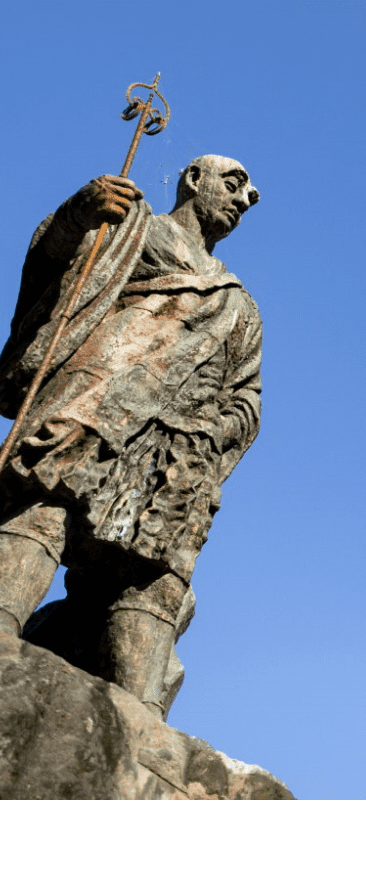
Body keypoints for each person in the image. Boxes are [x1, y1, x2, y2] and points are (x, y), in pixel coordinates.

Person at [0, 156, 262, 719]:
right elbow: (53, 265)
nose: (244, 200)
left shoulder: (238, 304)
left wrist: (213, 431)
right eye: (236, 184)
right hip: (99, 406)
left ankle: (138, 720)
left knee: (154, 578)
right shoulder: (133, 228)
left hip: (180, 453)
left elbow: (248, 396)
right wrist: (78, 214)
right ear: (194, 179)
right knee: (45, 512)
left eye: (250, 197)